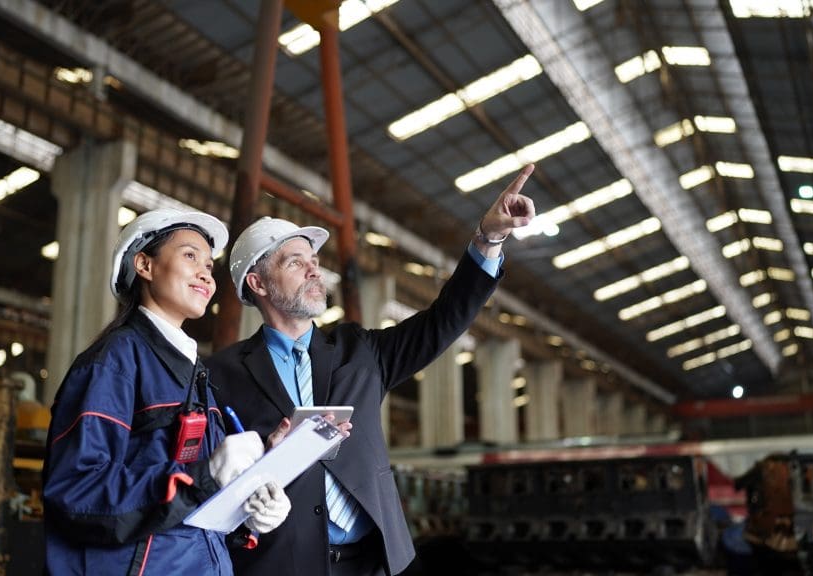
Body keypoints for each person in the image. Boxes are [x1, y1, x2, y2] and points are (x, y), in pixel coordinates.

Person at [206, 164, 536, 576]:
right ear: (257, 284)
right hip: (286, 564)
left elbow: (443, 320)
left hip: (379, 561)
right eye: (295, 262)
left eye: (313, 260)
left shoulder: (359, 351)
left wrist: (490, 239)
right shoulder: (220, 375)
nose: (314, 269)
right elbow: (212, 480)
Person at [43, 208, 292, 575]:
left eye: (209, 264)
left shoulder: (194, 372)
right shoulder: (115, 362)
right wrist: (203, 476)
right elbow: (77, 492)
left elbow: (194, 503)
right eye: (190, 255)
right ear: (145, 265)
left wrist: (247, 512)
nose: (206, 273)